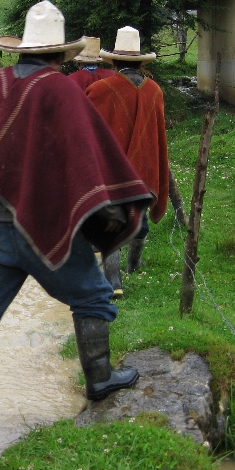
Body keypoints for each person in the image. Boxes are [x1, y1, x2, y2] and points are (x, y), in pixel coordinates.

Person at [0, 1, 153, 427]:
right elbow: (86, 160)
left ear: (23, 49)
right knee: (94, 297)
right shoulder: (62, 90)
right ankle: (100, 379)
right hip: (46, 225)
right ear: (60, 53)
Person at [86, 26, 169, 298]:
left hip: (111, 171)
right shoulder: (155, 91)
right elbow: (158, 134)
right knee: (139, 216)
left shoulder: (100, 90)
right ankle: (135, 265)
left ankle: (113, 281)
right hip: (144, 168)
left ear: (115, 61)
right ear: (140, 62)